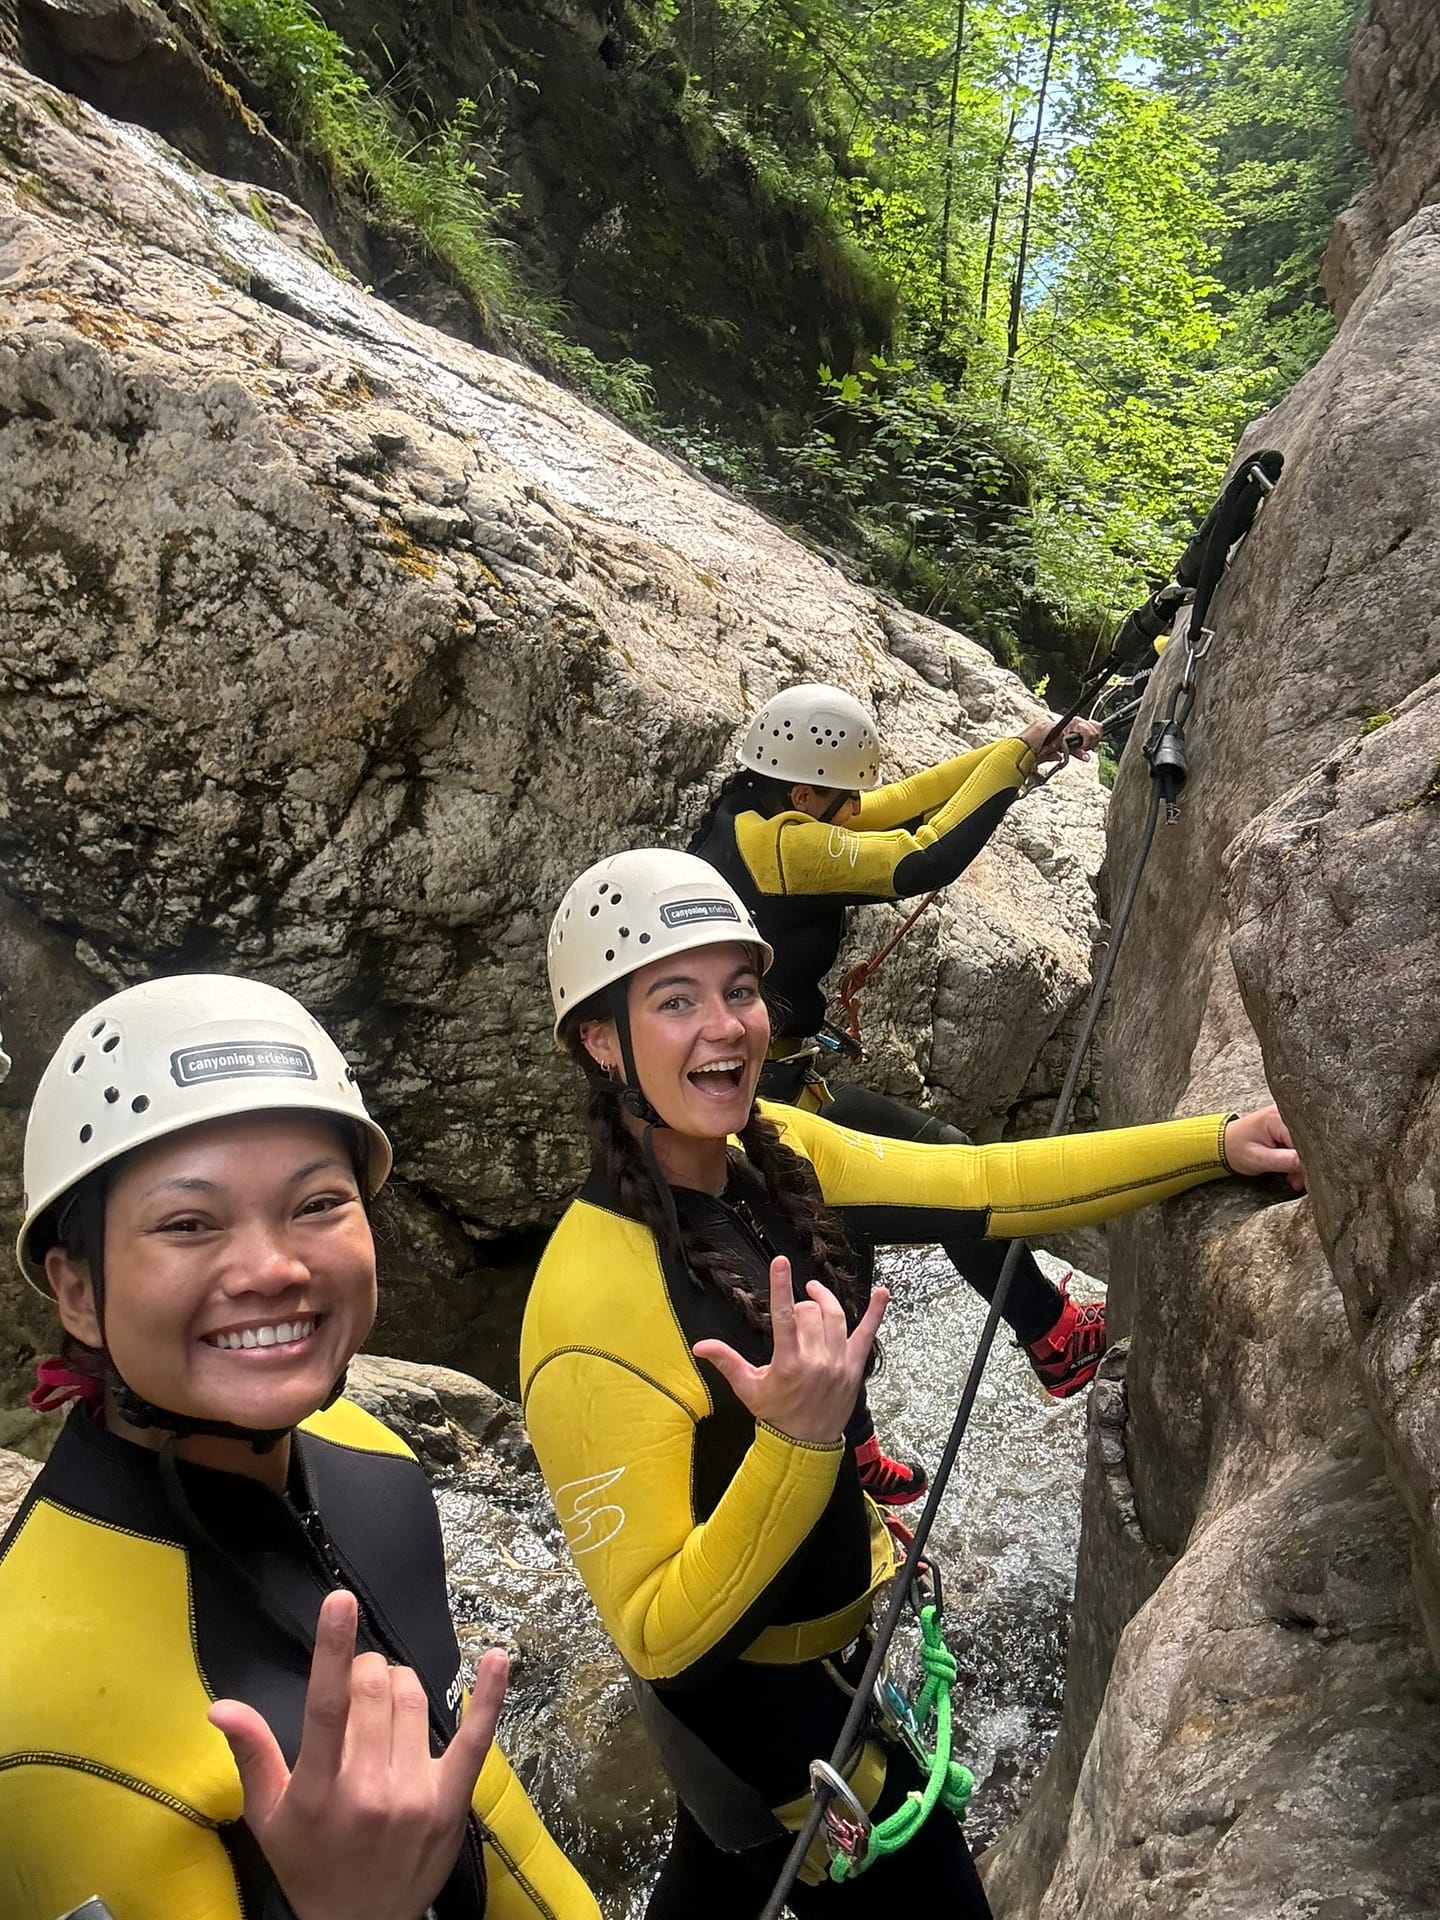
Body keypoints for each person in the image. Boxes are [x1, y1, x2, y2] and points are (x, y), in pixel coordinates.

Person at [521, 848, 1302, 1918]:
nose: (727, 1027)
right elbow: (659, 1636)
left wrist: (1212, 1144)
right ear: (601, 1041)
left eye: (740, 991)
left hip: (823, 1671)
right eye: (675, 1002)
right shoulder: (586, 1308)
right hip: (765, 1726)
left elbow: (984, 1185)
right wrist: (800, 1442)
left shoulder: (771, 1153)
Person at [0, 975, 600, 1920]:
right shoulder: (38, 1713)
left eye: (317, 1204)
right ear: (77, 1291)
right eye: (189, 1223)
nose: (274, 1269)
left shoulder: (370, 1460)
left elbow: (487, 1821)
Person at [689, 681, 1105, 1504]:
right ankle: (1052, 1336)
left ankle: (853, 1448)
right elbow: (919, 857)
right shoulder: (781, 845)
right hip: (765, 1102)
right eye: (839, 801)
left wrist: (1018, 749)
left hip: (768, 1089)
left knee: (838, 1252)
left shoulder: (750, 815)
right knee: (946, 1169)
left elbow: (893, 806)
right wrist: (1010, 769)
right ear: (804, 795)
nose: (853, 812)